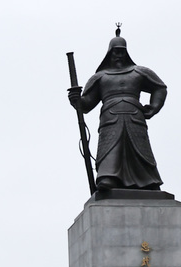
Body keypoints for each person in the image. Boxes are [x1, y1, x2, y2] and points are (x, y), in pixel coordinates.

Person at [67, 30, 167, 191]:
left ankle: (148, 181)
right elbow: (86, 105)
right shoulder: (100, 77)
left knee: (140, 148)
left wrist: (154, 107)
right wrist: (76, 100)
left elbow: (160, 88)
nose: (119, 55)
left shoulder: (139, 72)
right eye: (116, 51)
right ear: (109, 53)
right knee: (110, 147)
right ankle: (108, 178)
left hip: (134, 115)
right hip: (110, 118)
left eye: (122, 51)